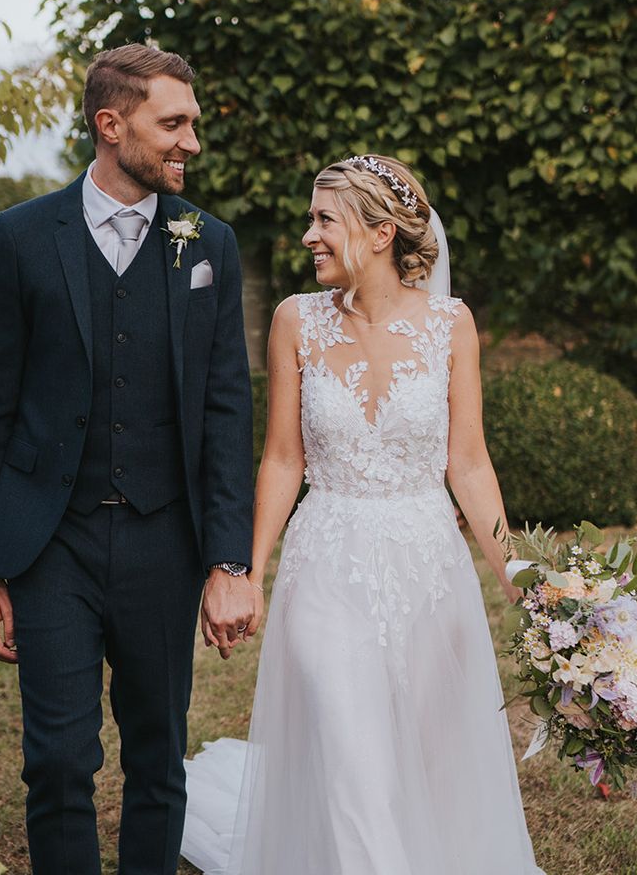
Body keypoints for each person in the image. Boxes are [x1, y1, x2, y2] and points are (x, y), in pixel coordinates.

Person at [181, 155, 544, 874]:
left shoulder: (451, 325)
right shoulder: (296, 320)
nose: (308, 235)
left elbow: (467, 463)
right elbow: (283, 459)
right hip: (327, 567)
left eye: (324, 220)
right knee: (351, 755)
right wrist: (245, 571)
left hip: (429, 570)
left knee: (427, 760)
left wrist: (524, 581)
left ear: (380, 233)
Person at [0, 43, 258, 875]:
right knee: (57, 759)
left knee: (158, 757)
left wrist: (229, 556)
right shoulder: (20, 237)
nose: (190, 142)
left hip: (166, 541)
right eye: (174, 122)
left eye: (192, 123)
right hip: (52, 542)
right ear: (110, 123)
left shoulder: (209, 245)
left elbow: (226, 410)